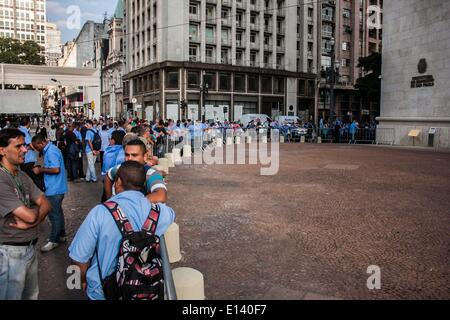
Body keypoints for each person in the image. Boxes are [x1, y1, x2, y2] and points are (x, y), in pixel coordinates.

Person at [69, 161, 176, 300]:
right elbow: (171, 213)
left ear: (118, 182)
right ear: (143, 185)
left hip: (104, 292)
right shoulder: (159, 212)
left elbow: (79, 258)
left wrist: (82, 280)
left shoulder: (100, 212)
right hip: (144, 289)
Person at [0, 129, 51, 300]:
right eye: (18, 146)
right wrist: (34, 216)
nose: (25, 149)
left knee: (31, 295)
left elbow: (46, 203)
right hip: (10, 253)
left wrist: (32, 222)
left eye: (24, 145)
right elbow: (31, 214)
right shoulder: (1, 179)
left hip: (29, 248)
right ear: (2, 150)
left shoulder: (21, 175)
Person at [31, 134, 68, 252]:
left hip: (54, 188)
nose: (36, 149)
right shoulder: (50, 149)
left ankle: (54, 240)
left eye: (37, 147)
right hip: (56, 187)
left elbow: (56, 169)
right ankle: (61, 235)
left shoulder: (51, 151)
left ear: (41, 143)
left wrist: (40, 169)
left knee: (54, 215)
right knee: (58, 213)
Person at [104, 139, 167, 203]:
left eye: (134, 155)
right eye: (127, 155)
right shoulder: (119, 168)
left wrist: (131, 204)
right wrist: (109, 198)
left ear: (145, 156)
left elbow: (161, 196)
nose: (129, 158)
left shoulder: (150, 174)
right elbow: (108, 176)